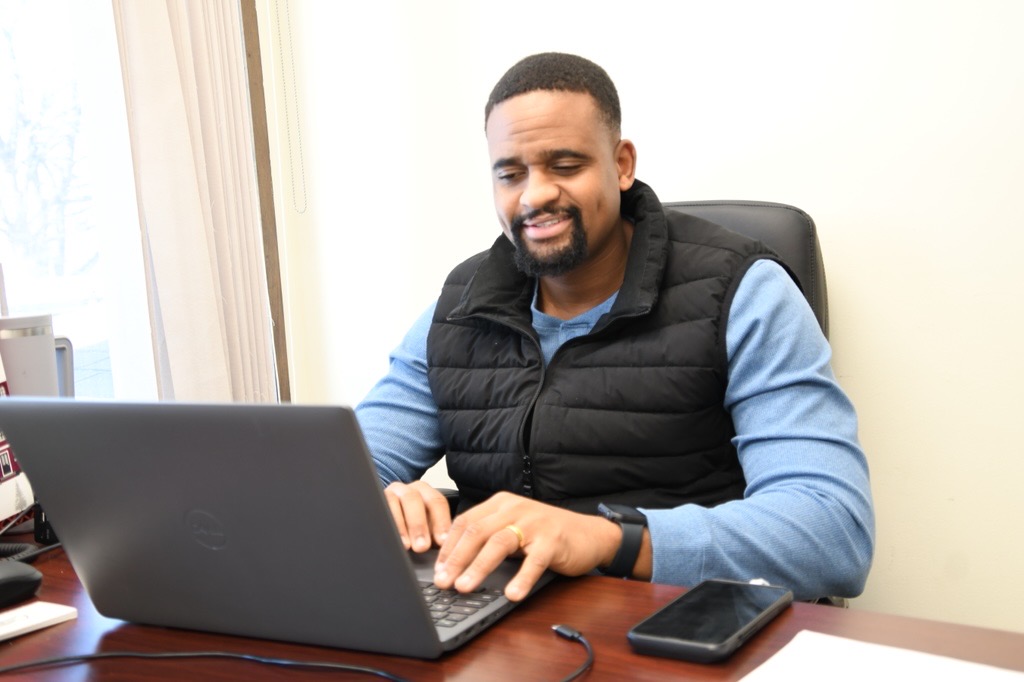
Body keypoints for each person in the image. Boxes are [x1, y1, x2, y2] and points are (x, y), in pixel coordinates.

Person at [355, 52, 875, 603]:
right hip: (507, 625)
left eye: (565, 165)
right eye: (511, 174)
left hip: (686, 629)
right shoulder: (464, 302)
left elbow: (832, 532)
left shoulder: (743, 290)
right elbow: (348, 469)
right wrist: (377, 500)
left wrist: (611, 540)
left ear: (622, 164)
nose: (534, 196)